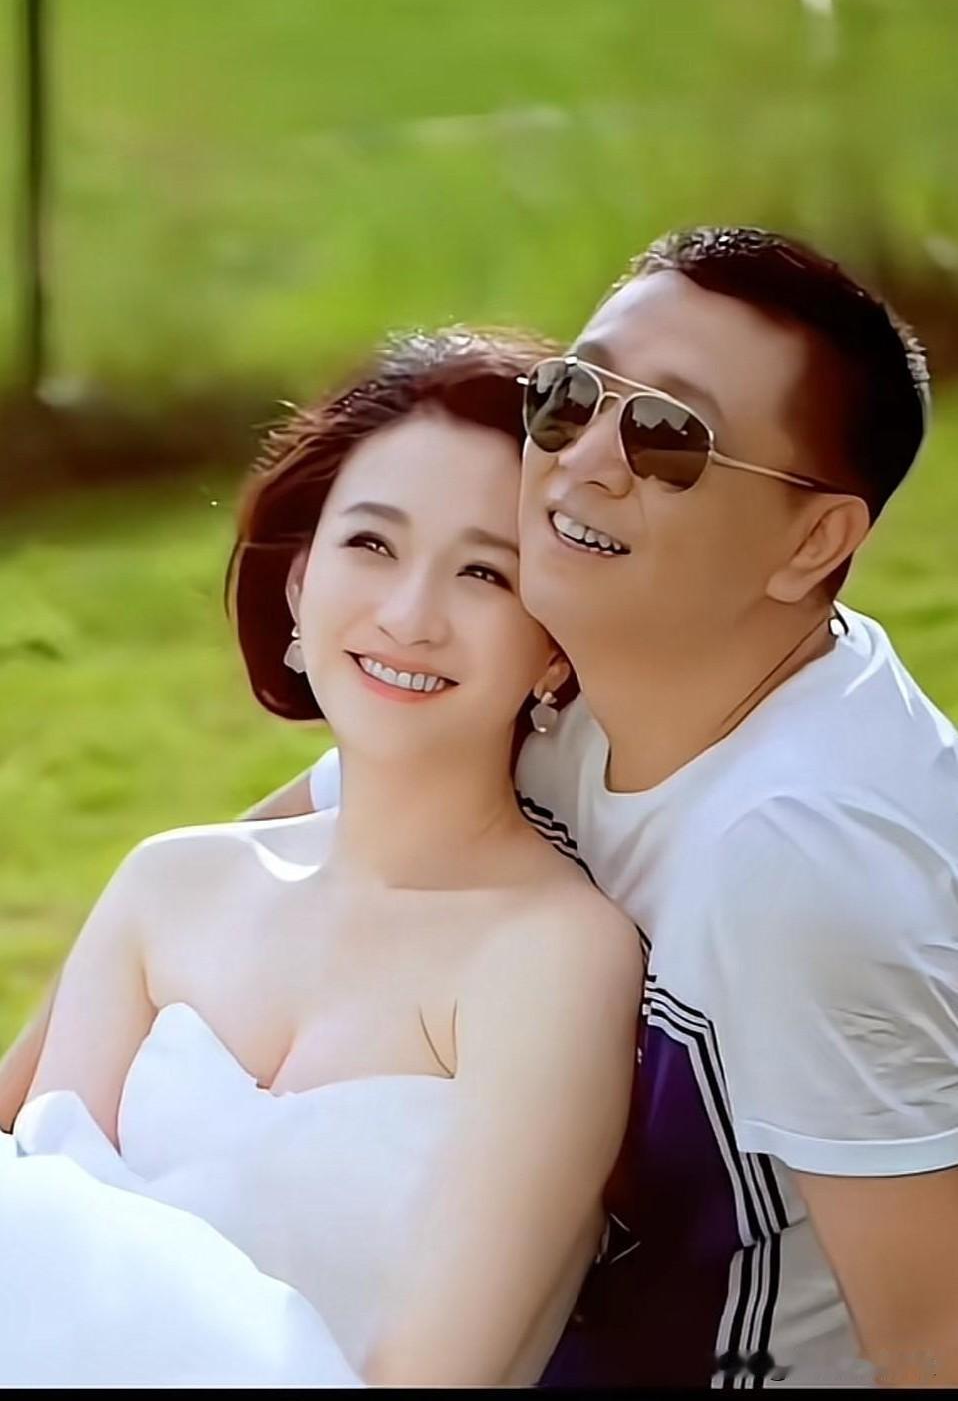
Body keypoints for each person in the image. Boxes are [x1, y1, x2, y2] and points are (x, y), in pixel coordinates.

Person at [257, 227, 958, 1388]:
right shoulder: (581, 672)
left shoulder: (799, 866)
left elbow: (934, 1341)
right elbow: (254, 867)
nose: (583, 461)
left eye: (669, 437)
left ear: (813, 542)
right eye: (571, 397)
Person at [0, 328, 643, 1387]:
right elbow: (37, 1253)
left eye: (485, 572)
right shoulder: (170, 887)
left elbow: (436, 1374)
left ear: (554, 649)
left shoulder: (552, 954)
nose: (409, 616)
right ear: (299, 585)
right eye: (372, 544)